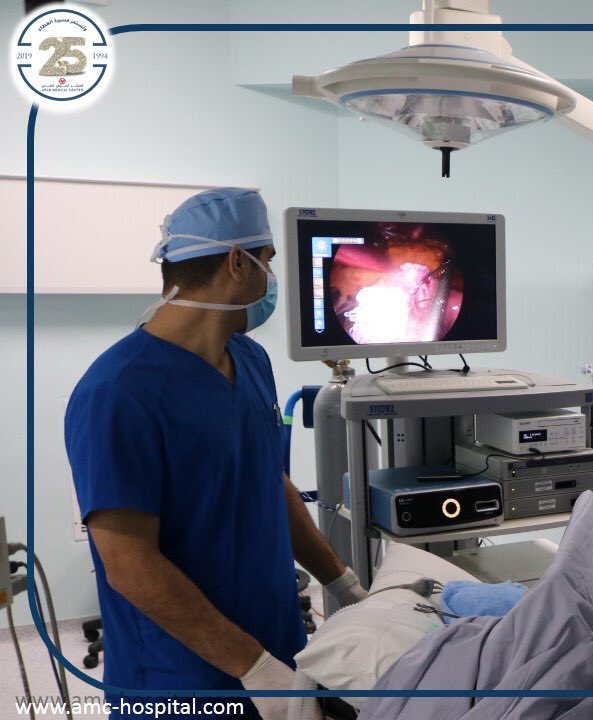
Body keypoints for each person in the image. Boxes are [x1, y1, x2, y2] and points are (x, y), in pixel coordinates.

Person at [65, 188, 367, 719]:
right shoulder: (118, 393)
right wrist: (254, 668)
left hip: (277, 645)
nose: (272, 277)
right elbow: (130, 566)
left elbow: (268, 481)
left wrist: (342, 582)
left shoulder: (250, 360)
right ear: (236, 263)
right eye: (268, 259)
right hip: (179, 682)